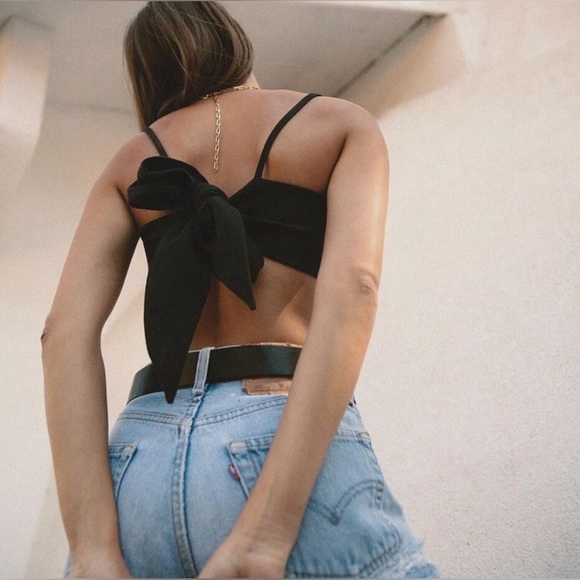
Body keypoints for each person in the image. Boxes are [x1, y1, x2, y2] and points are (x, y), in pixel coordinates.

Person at [42, 2, 439, 578]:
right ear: (229, 37)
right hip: (275, 436)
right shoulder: (339, 124)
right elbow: (355, 286)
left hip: (139, 464)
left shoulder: (131, 164)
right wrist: (265, 532)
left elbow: (62, 335)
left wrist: (92, 547)